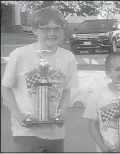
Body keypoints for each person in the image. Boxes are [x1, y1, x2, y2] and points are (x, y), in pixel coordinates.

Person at [0, 7, 78, 152]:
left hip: (55, 132)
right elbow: (5, 87)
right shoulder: (19, 55)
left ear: (63, 30)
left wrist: (62, 111)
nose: (52, 33)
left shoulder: (68, 57)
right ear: (34, 30)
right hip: (25, 132)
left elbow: (67, 89)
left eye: (57, 28)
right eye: (45, 29)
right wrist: (17, 115)